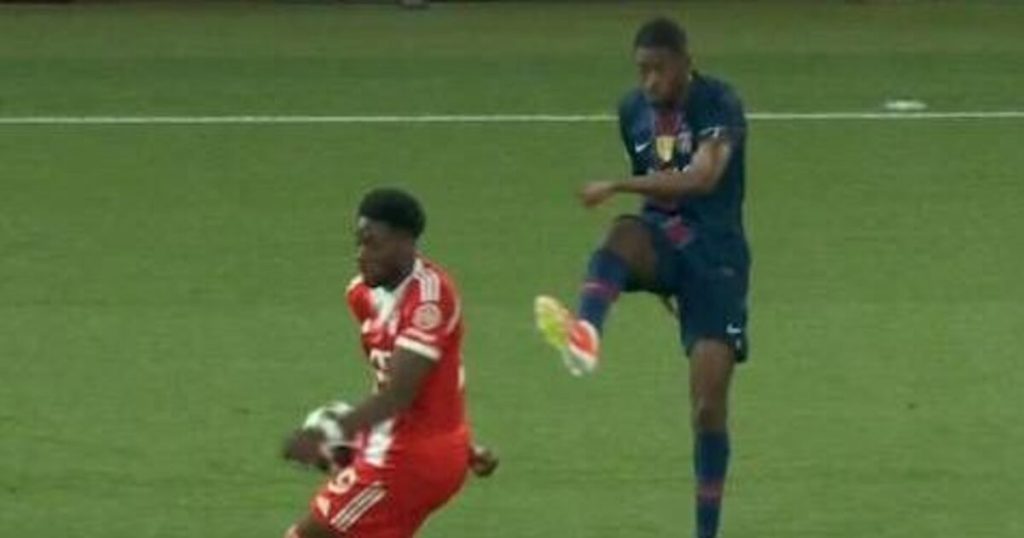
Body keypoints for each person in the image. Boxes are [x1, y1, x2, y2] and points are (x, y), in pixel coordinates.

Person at [535, 17, 749, 538]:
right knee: (623, 234)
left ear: (685, 63)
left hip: (717, 262)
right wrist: (656, 280)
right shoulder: (632, 111)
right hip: (666, 244)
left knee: (707, 408)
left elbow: (703, 178)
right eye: (642, 71)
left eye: (659, 69)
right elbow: (656, 197)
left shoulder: (718, 103)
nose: (650, 81)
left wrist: (617, 184)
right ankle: (586, 334)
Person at [284, 188, 497, 538]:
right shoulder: (362, 294)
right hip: (411, 445)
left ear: (405, 242)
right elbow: (434, 378)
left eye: (373, 244)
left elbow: (398, 395)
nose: (362, 255)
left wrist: (330, 432)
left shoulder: (429, 301)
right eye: (359, 243)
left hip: (408, 461)